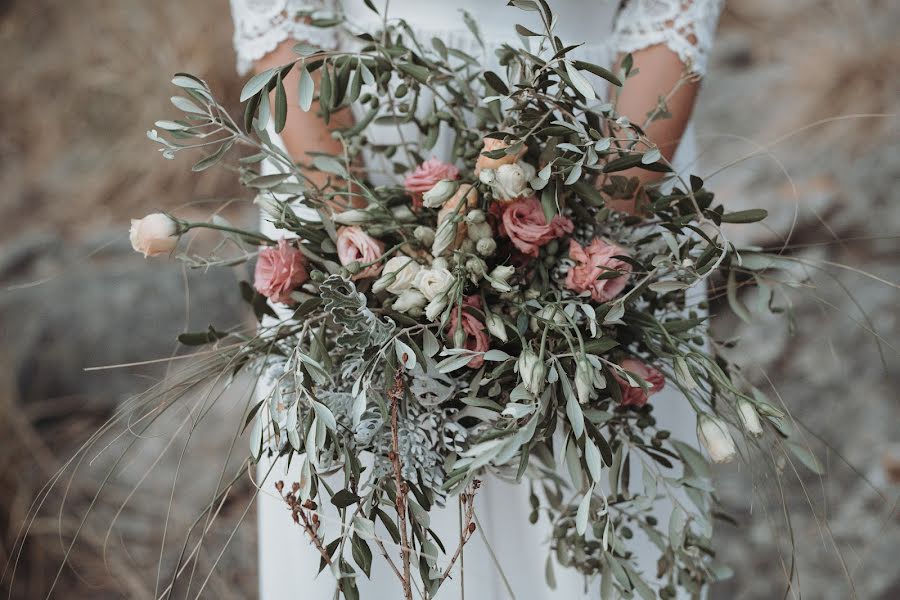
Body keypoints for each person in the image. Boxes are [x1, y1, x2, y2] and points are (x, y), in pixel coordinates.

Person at [229, 1, 724, 598]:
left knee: (591, 477)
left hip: (600, 139)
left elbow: (668, 14)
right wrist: (360, 227)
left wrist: (587, 245)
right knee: (367, 484)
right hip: (350, 141)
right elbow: (286, 21)